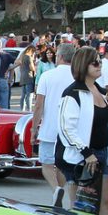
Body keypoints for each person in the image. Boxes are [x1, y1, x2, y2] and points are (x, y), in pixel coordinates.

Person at [56, 46, 108, 215]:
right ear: (83, 65)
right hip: (81, 158)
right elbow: (66, 127)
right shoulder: (72, 93)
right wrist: (86, 152)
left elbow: (101, 122)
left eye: (100, 61)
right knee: (82, 208)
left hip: (100, 153)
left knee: (105, 204)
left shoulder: (100, 91)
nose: (99, 65)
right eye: (94, 62)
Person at [33, 42, 78, 206]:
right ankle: (60, 188)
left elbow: (39, 105)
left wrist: (33, 128)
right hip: (70, 129)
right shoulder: (77, 76)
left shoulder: (47, 76)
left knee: (46, 164)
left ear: (59, 56)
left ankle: (56, 189)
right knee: (63, 165)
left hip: (49, 128)